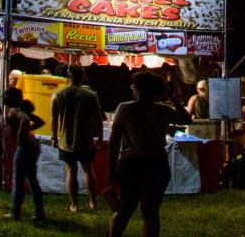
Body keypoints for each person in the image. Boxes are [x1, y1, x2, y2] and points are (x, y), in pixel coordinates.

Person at [107, 71, 191, 237]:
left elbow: (114, 140)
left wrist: (111, 168)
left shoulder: (125, 108)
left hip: (131, 164)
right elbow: (186, 119)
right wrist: (171, 96)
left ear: (138, 89)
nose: (132, 88)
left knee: (124, 209)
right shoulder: (163, 111)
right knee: (151, 212)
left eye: (133, 86)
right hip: (156, 164)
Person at [51, 63, 105, 212]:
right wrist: (100, 138)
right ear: (83, 76)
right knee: (88, 170)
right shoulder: (91, 95)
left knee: (71, 171)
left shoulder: (58, 95)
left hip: (66, 140)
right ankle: (93, 202)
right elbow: (98, 119)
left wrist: (54, 137)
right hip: (86, 140)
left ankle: (74, 205)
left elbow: (54, 119)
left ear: (68, 76)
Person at [4, 96, 46, 223]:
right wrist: (28, 130)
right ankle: (40, 213)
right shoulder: (21, 110)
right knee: (32, 180)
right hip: (31, 144)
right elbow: (40, 121)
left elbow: (26, 120)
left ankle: (14, 212)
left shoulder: (14, 110)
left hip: (24, 145)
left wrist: (20, 134)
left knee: (18, 180)